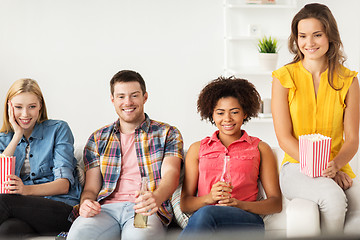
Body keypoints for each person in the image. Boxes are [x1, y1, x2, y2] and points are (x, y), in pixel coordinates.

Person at [272, 3, 360, 236]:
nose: (309, 43)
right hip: (296, 166)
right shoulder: (283, 78)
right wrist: (321, 168)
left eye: (317, 35)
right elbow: (283, 137)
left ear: (330, 35)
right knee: (333, 197)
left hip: (337, 166)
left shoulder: (348, 81)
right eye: (302, 36)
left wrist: (337, 166)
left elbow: (352, 139)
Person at [67, 70, 184, 240]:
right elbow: (91, 188)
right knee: (78, 235)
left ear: (145, 97)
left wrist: (156, 198)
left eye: (134, 95)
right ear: (113, 100)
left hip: (144, 209)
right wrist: (86, 203)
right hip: (104, 210)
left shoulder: (167, 133)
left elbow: (171, 175)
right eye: (121, 97)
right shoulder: (97, 138)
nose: (128, 102)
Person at [179, 76, 282, 239]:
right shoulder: (197, 149)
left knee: (207, 214)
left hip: (247, 221)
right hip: (205, 219)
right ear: (211, 114)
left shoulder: (260, 148)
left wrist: (240, 205)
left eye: (234, 112)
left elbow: (276, 203)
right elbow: (185, 204)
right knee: (207, 213)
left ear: (245, 113)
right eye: (220, 113)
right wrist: (209, 198)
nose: (227, 119)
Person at [0, 78, 81, 237]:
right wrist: (17, 135)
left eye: (32, 107)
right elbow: (2, 181)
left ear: (40, 107)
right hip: (23, 211)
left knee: (2, 201)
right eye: (18, 107)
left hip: (60, 207)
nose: (25, 114)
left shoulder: (59, 129)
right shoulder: (4, 139)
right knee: (6, 231)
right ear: (9, 108)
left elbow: (63, 185)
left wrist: (25, 190)